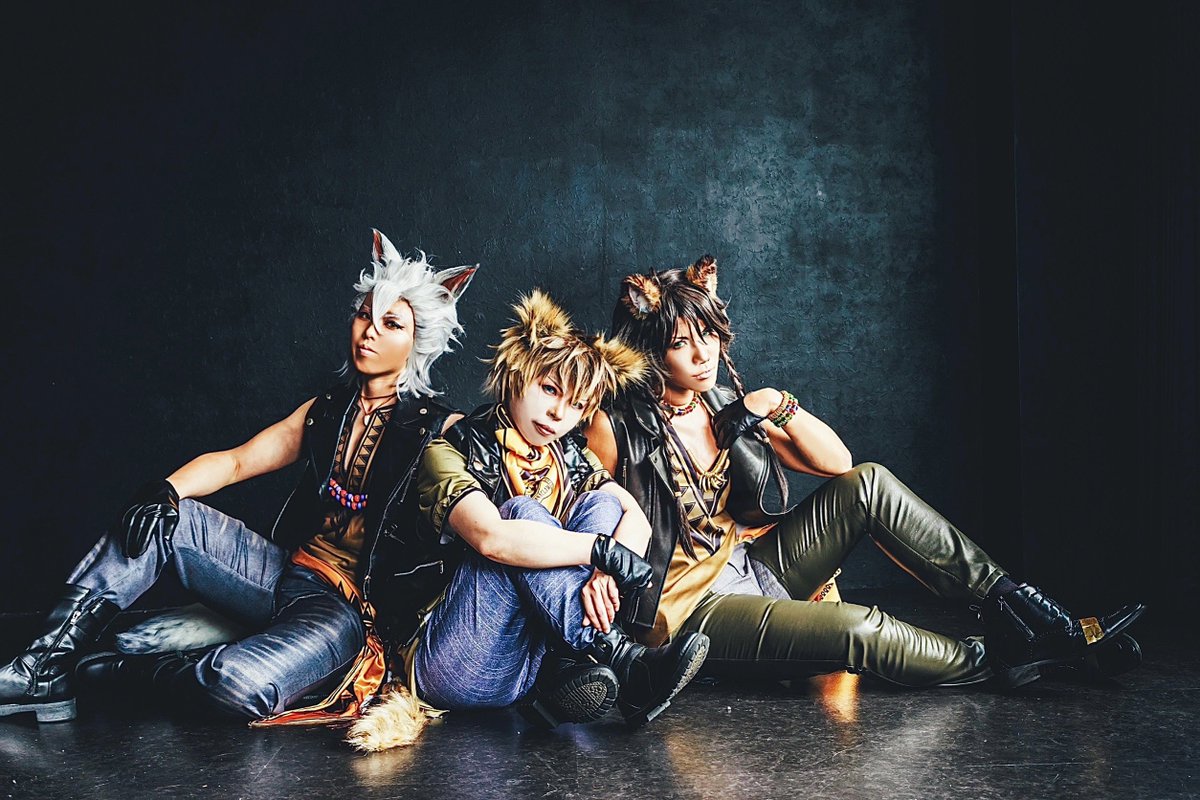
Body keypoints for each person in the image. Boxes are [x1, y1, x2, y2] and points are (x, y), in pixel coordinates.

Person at [583, 255, 1146, 690]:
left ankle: (1027, 612)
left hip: (751, 568)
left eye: (708, 336)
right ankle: (1002, 659)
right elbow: (585, 509)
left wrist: (774, 402)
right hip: (688, 611)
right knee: (857, 629)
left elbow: (839, 465)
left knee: (869, 484)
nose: (702, 354)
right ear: (652, 351)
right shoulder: (615, 424)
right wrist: (600, 579)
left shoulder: (721, 404)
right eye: (681, 343)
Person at [0, 229, 476, 726]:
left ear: (418, 341)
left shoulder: (439, 430)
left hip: (342, 612)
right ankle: (42, 669)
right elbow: (236, 462)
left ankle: (127, 673)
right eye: (364, 315)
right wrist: (166, 490)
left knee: (236, 684)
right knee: (166, 517)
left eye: (391, 324)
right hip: (282, 573)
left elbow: (482, 518)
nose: (369, 331)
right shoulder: (326, 410)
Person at [362, 289, 709, 745]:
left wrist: (604, 572)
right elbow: (490, 538)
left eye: (578, 405)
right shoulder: (449, 449)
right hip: (451, 661)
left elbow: (636, 518)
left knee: (603, 505)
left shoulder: (568, 455)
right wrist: (598, 550)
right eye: (549, 389)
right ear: (517, 374)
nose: (558, 414)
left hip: (523, 663)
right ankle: (621, 658)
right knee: (520, 513)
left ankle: (567, 667)